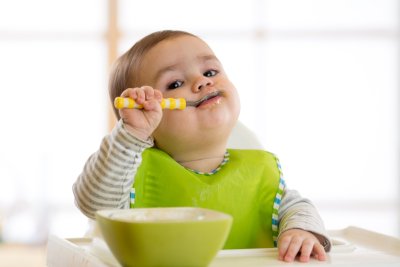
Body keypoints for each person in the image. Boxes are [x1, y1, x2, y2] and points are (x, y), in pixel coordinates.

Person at [73, 30, 331, 262]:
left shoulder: (260, 174)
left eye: (210, 72)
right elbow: (94, 206)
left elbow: (300, 209)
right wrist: (131, 135)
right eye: (175, 84)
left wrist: (301, 232)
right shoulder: (129, 179)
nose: (202, 82)